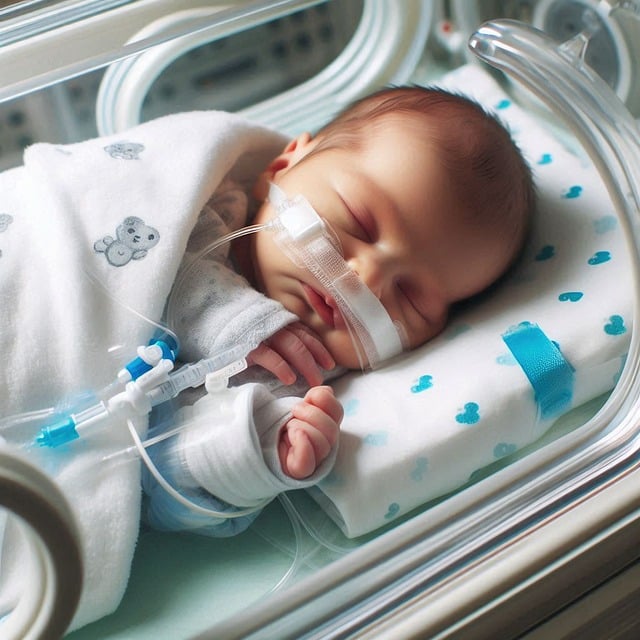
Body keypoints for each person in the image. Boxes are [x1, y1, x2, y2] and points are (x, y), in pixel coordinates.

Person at [142, 85, 535, 535]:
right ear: (281, 168)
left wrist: (259, 453)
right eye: (359, 221)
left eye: (410, 297)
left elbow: (160, 490)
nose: (367, 279)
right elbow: (141, 256)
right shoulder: (210, 210)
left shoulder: (301, 383)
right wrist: (242, 322)